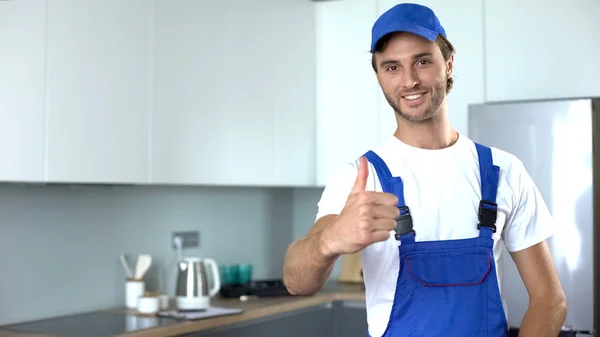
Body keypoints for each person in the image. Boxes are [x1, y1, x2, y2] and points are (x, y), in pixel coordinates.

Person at [283, 3, 567, 337]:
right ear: (378, 77)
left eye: (422, 61)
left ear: (448, 64)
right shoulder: (362, 177)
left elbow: (549, 300)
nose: (409, 81)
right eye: (392, 67)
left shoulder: (503, 171)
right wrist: (330, 240)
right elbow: (295, 281)